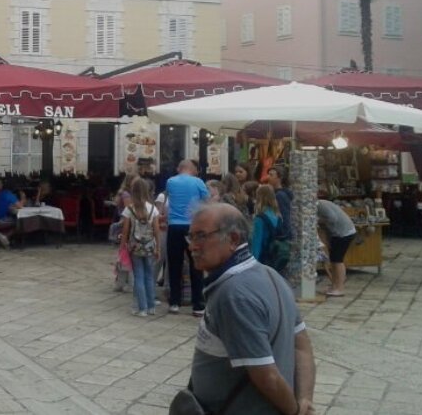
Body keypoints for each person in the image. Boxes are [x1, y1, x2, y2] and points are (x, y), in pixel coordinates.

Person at [185, 203, 316, 415]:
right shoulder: (271, 275)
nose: (193, 246)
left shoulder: (234, 295)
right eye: (190, 237)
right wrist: (304, 400)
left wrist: (295, 411)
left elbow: (266, 375)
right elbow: (301, 346)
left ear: (234, 239)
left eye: (201, 236)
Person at [164, 159, 210, 316]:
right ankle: (198, 305)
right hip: (193, 227)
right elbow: (207, 201)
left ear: (180, 168)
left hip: (174, 226)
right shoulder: (198, 182)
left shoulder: (170, 182)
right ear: (192, 169)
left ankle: (175, 302)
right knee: (196, 264)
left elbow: (170, 199)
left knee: (174, 264)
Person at [121, 178, 159, 317]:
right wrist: (158, 247)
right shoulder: (153, 208)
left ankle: (141, 308)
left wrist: (122, 247)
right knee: (149, 276)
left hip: (135, 246)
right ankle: (151, 307)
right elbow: (156, 231)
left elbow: (125, 231)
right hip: (149, 246)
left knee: (138, 276)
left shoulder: (129, 209)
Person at [317, 199, 357, 295]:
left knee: (337, 261)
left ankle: (339, 288)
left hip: (344, 233)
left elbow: (332, 218)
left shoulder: (320, 205)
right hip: (337, 234)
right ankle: (334, 285)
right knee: (334, 260)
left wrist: (318, 220)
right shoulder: (321, 204)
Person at [250, 185, 282, 264]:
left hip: (262, 259)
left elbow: (256, 245)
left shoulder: (259, 219)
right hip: (274, 259)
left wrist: (252, 264)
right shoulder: (278, 217)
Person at [0, 182, 23, 249]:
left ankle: (6, 238)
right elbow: (20, 206)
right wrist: (23, 197)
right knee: (21, 222)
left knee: (16, 220)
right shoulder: (10, 195)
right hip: (3, 219)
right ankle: (5, 235)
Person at [267, 166, 293, 239]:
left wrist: (281, 236)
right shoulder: (275, 194)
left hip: (280, 237)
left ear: (279, 178)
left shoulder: (280, 196)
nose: (268, 177)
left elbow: (284, 216)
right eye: (268, 174)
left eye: (271, 175)